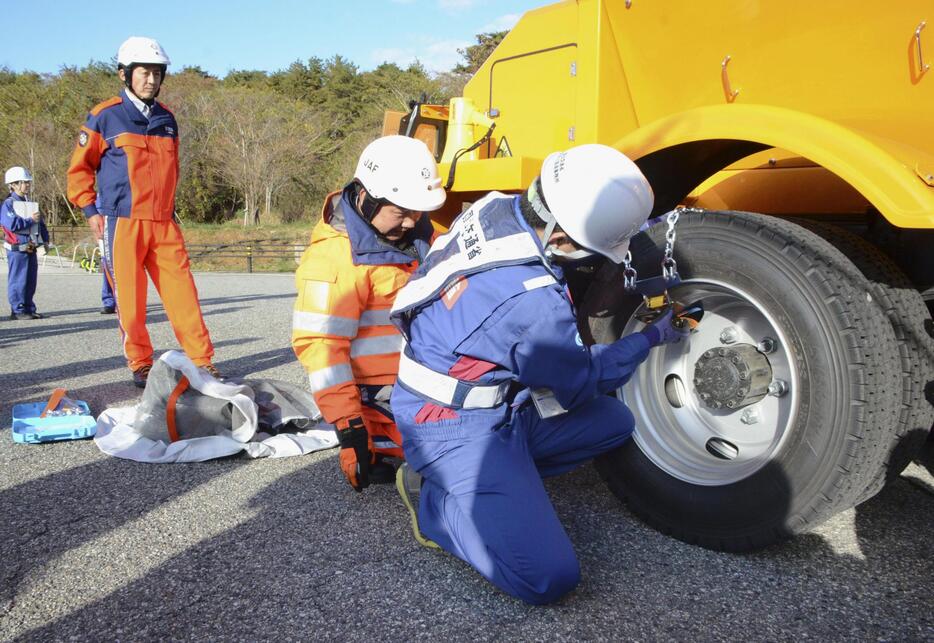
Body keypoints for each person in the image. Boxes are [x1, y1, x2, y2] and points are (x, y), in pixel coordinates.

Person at [389, 144, 691, 605]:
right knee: (549, 578)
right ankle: (437, 504)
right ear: (558, 236)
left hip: (485, 403)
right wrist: (650, 338)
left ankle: (501, 488)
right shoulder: (532, 303)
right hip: (448, 427)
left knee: (615, 422)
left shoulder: (495, 207)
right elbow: (580, 382)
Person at [291, 135, 445, 492]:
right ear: (365, 197)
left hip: (431, 386)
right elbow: (323, 348)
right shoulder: (335, 258)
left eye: (418, 211)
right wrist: (351, 432)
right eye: (401, 211)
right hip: (384, 407)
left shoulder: (430, 237)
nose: (410, 222)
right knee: (455, 459)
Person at [66, 36, 218, 387]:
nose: (151, 80)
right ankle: (140, 362)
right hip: (122, 222)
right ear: (125, 74)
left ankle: (201, 360)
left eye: (157, 73)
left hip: (164, 223)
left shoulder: (167, 119)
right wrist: (90, 209)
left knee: (184, 295)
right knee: (130, 301)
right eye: (144, 73)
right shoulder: (105, 117)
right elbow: (79, 170)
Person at [2, 166, 48, 320]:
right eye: (24, 182)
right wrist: (29, 220)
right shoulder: (9, 204)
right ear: (14, 184)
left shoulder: (29, 203)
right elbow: (11, 224)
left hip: (30, 247)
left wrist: (45, 240)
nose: (27, 185)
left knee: (30, 279)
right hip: (17, 249)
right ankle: (18, 309)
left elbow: (40, 223)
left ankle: (28, 307)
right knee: (18, 279)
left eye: (28, 182)